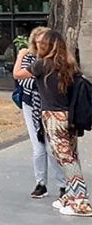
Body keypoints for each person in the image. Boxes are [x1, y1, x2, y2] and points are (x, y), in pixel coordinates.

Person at [15, 29, 92, 216]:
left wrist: (21, 55)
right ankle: (71, 196)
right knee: (70, 155)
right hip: (69, 116)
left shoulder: (41, 65)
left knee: (66, 159)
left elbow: (17, 75)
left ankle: (81, 201)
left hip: (52, 118)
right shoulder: (69, 64)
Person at [13, 26, 64, 199]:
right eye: (38, 41)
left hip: (53, 107)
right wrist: (21, 56)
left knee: (54, 148)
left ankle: (64, 185)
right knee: (39, 148)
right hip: (32, 106)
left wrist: (38, 80)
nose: (41, 44)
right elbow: (23, 81)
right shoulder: (31, 59)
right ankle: (41, 183)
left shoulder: (55, 60)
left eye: (44, 41)